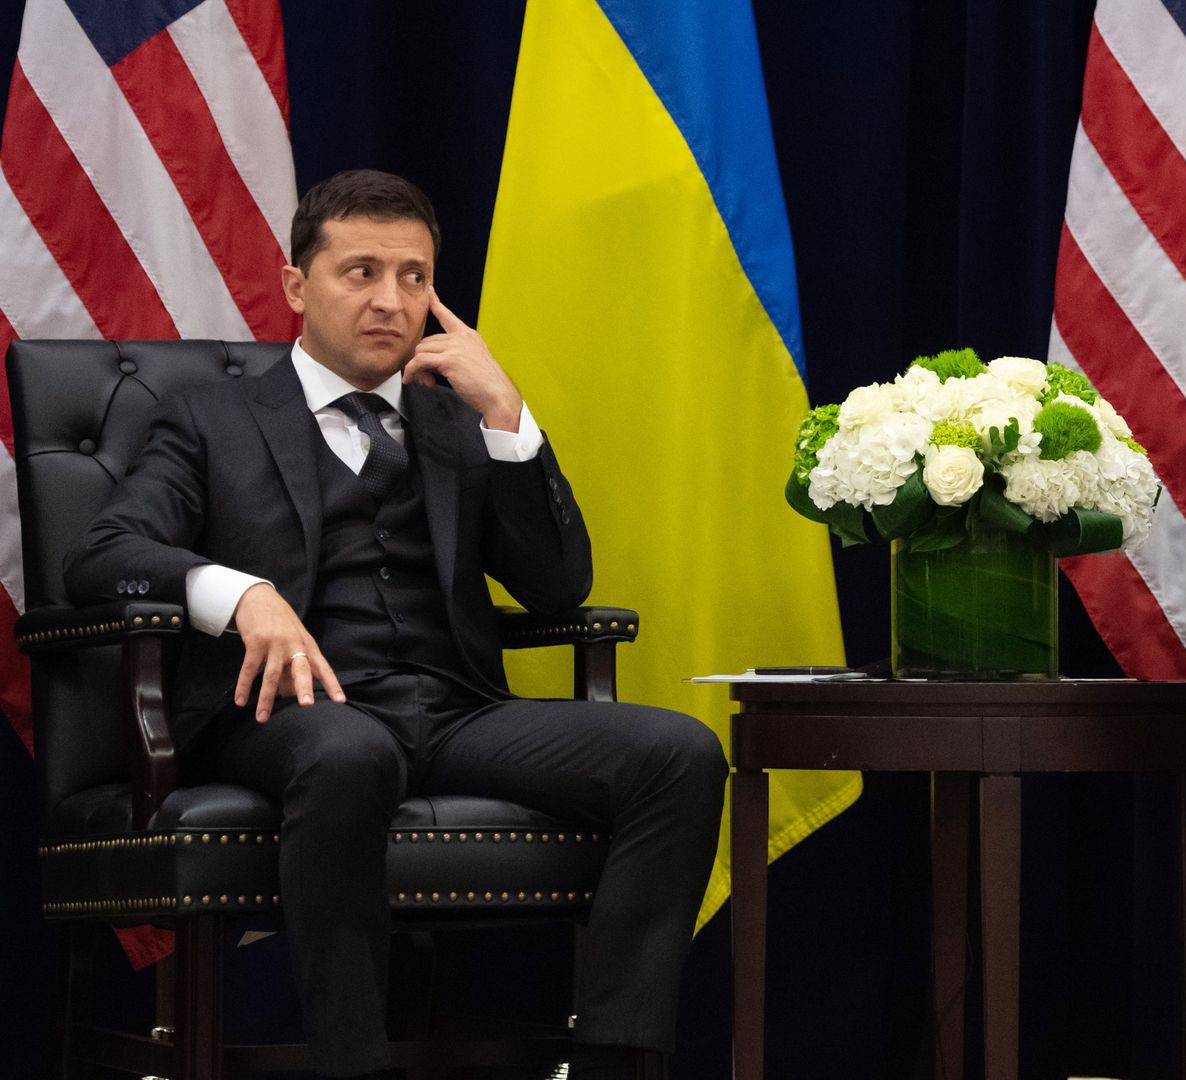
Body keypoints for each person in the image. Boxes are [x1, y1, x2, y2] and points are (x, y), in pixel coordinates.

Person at [65, 169, 727, 1080]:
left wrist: (509, 419)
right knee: (349, 753)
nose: (391, 300)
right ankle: (354, 1064)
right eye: (361, 271)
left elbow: (557, 587)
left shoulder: (456, 420)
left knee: (679, 754)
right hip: (286, 713)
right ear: (299, 287)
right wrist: (238, 593)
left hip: (456, 711)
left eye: (414, 277)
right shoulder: (210, 416)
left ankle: (613, 1058)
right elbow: (103, 552)